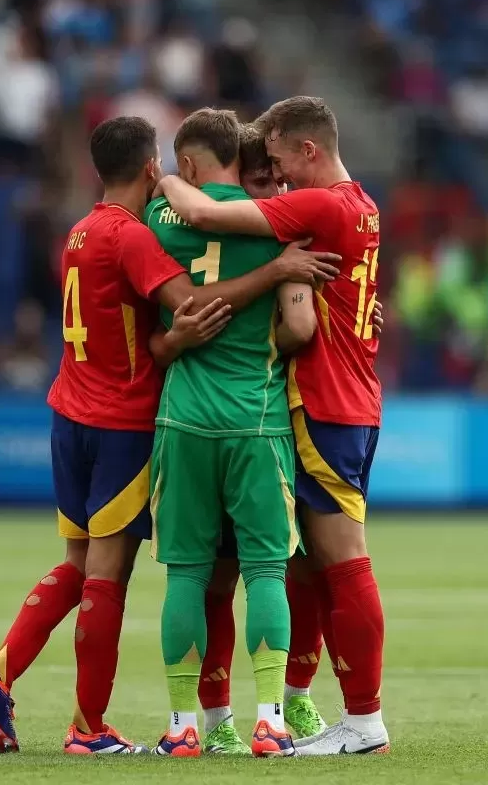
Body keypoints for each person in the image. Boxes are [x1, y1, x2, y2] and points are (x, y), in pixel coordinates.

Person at [0, 115, 340, 755]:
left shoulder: (80, 234)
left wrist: (165, 339)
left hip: (70, 412)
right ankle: (89, 729)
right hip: (126, 420)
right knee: (118, 578)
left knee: (80, 569)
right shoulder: (138, 238)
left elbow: (128, 323)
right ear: (149, 168)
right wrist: (276, 274)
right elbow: (194, 307)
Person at [159, 96, 389, 755]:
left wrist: (167, 177)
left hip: (322, 402)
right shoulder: (365, 206)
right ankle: (313, 707)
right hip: (355, 399)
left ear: (307, 147)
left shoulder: (319, 207)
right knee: (309, 568)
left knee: (341, 560)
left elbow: (201, 212)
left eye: (282, 158)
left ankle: (365, 721)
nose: (278, 174)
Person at [144, 109, 316, 759]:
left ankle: (184, 725)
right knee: (268, 570)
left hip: (183, 418)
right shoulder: (275, 226)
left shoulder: (156, 223)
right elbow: (301, 329)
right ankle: (270, 719)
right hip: (256, 417)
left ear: (187, 165)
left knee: (187, 576)